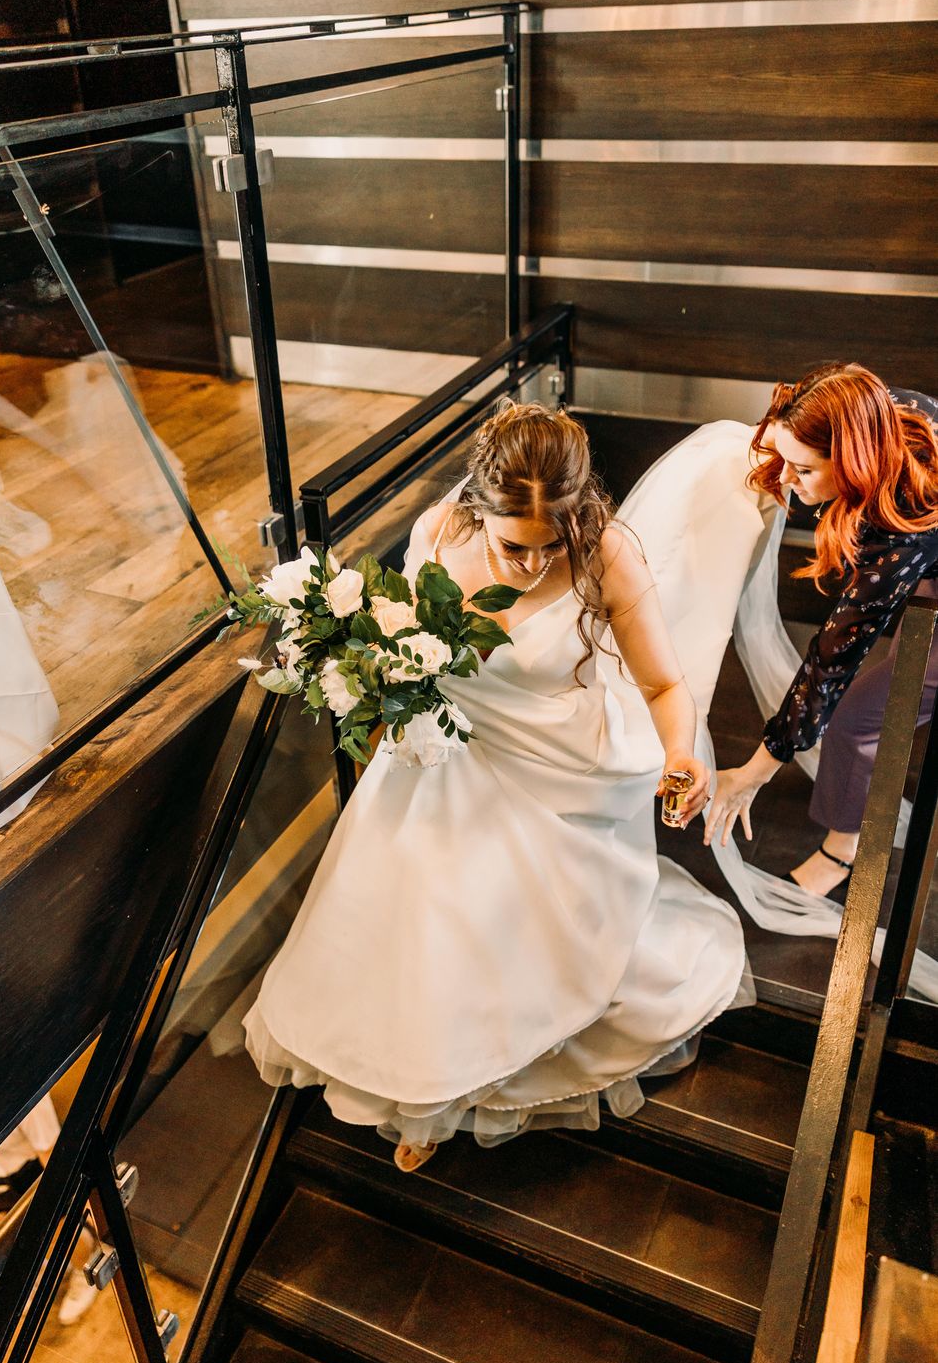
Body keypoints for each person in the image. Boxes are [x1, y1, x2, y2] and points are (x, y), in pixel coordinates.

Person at [244, 402, 751, 1171]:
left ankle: (481, 1071)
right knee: (426, 918)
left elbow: (664, 684)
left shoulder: (609, 555)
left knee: (511, 926)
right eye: (516, 545)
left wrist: (683, 750)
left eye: (552, 545)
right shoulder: (442, 533)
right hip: (450, 749)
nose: (533, 563)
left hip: (557, 762)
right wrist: (381, 688)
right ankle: (426, 1090)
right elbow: (407, 637)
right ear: (478, 512)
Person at [705, 366, 938, 899]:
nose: (786, 478)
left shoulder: (900, 526)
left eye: (803, 469)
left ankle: (843, 851)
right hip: (931, 552)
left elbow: (832, 659)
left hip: (927, 542)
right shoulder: (879, 411)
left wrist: (756, 770)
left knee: (857, 718)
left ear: (853, 461)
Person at [0, 1095, 98, 1325]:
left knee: (70, 1239)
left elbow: (50, 1152)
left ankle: (87, 1270)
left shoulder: (15, 1084)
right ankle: (37, 1271)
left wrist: (80, 1203)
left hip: (31, 1173)